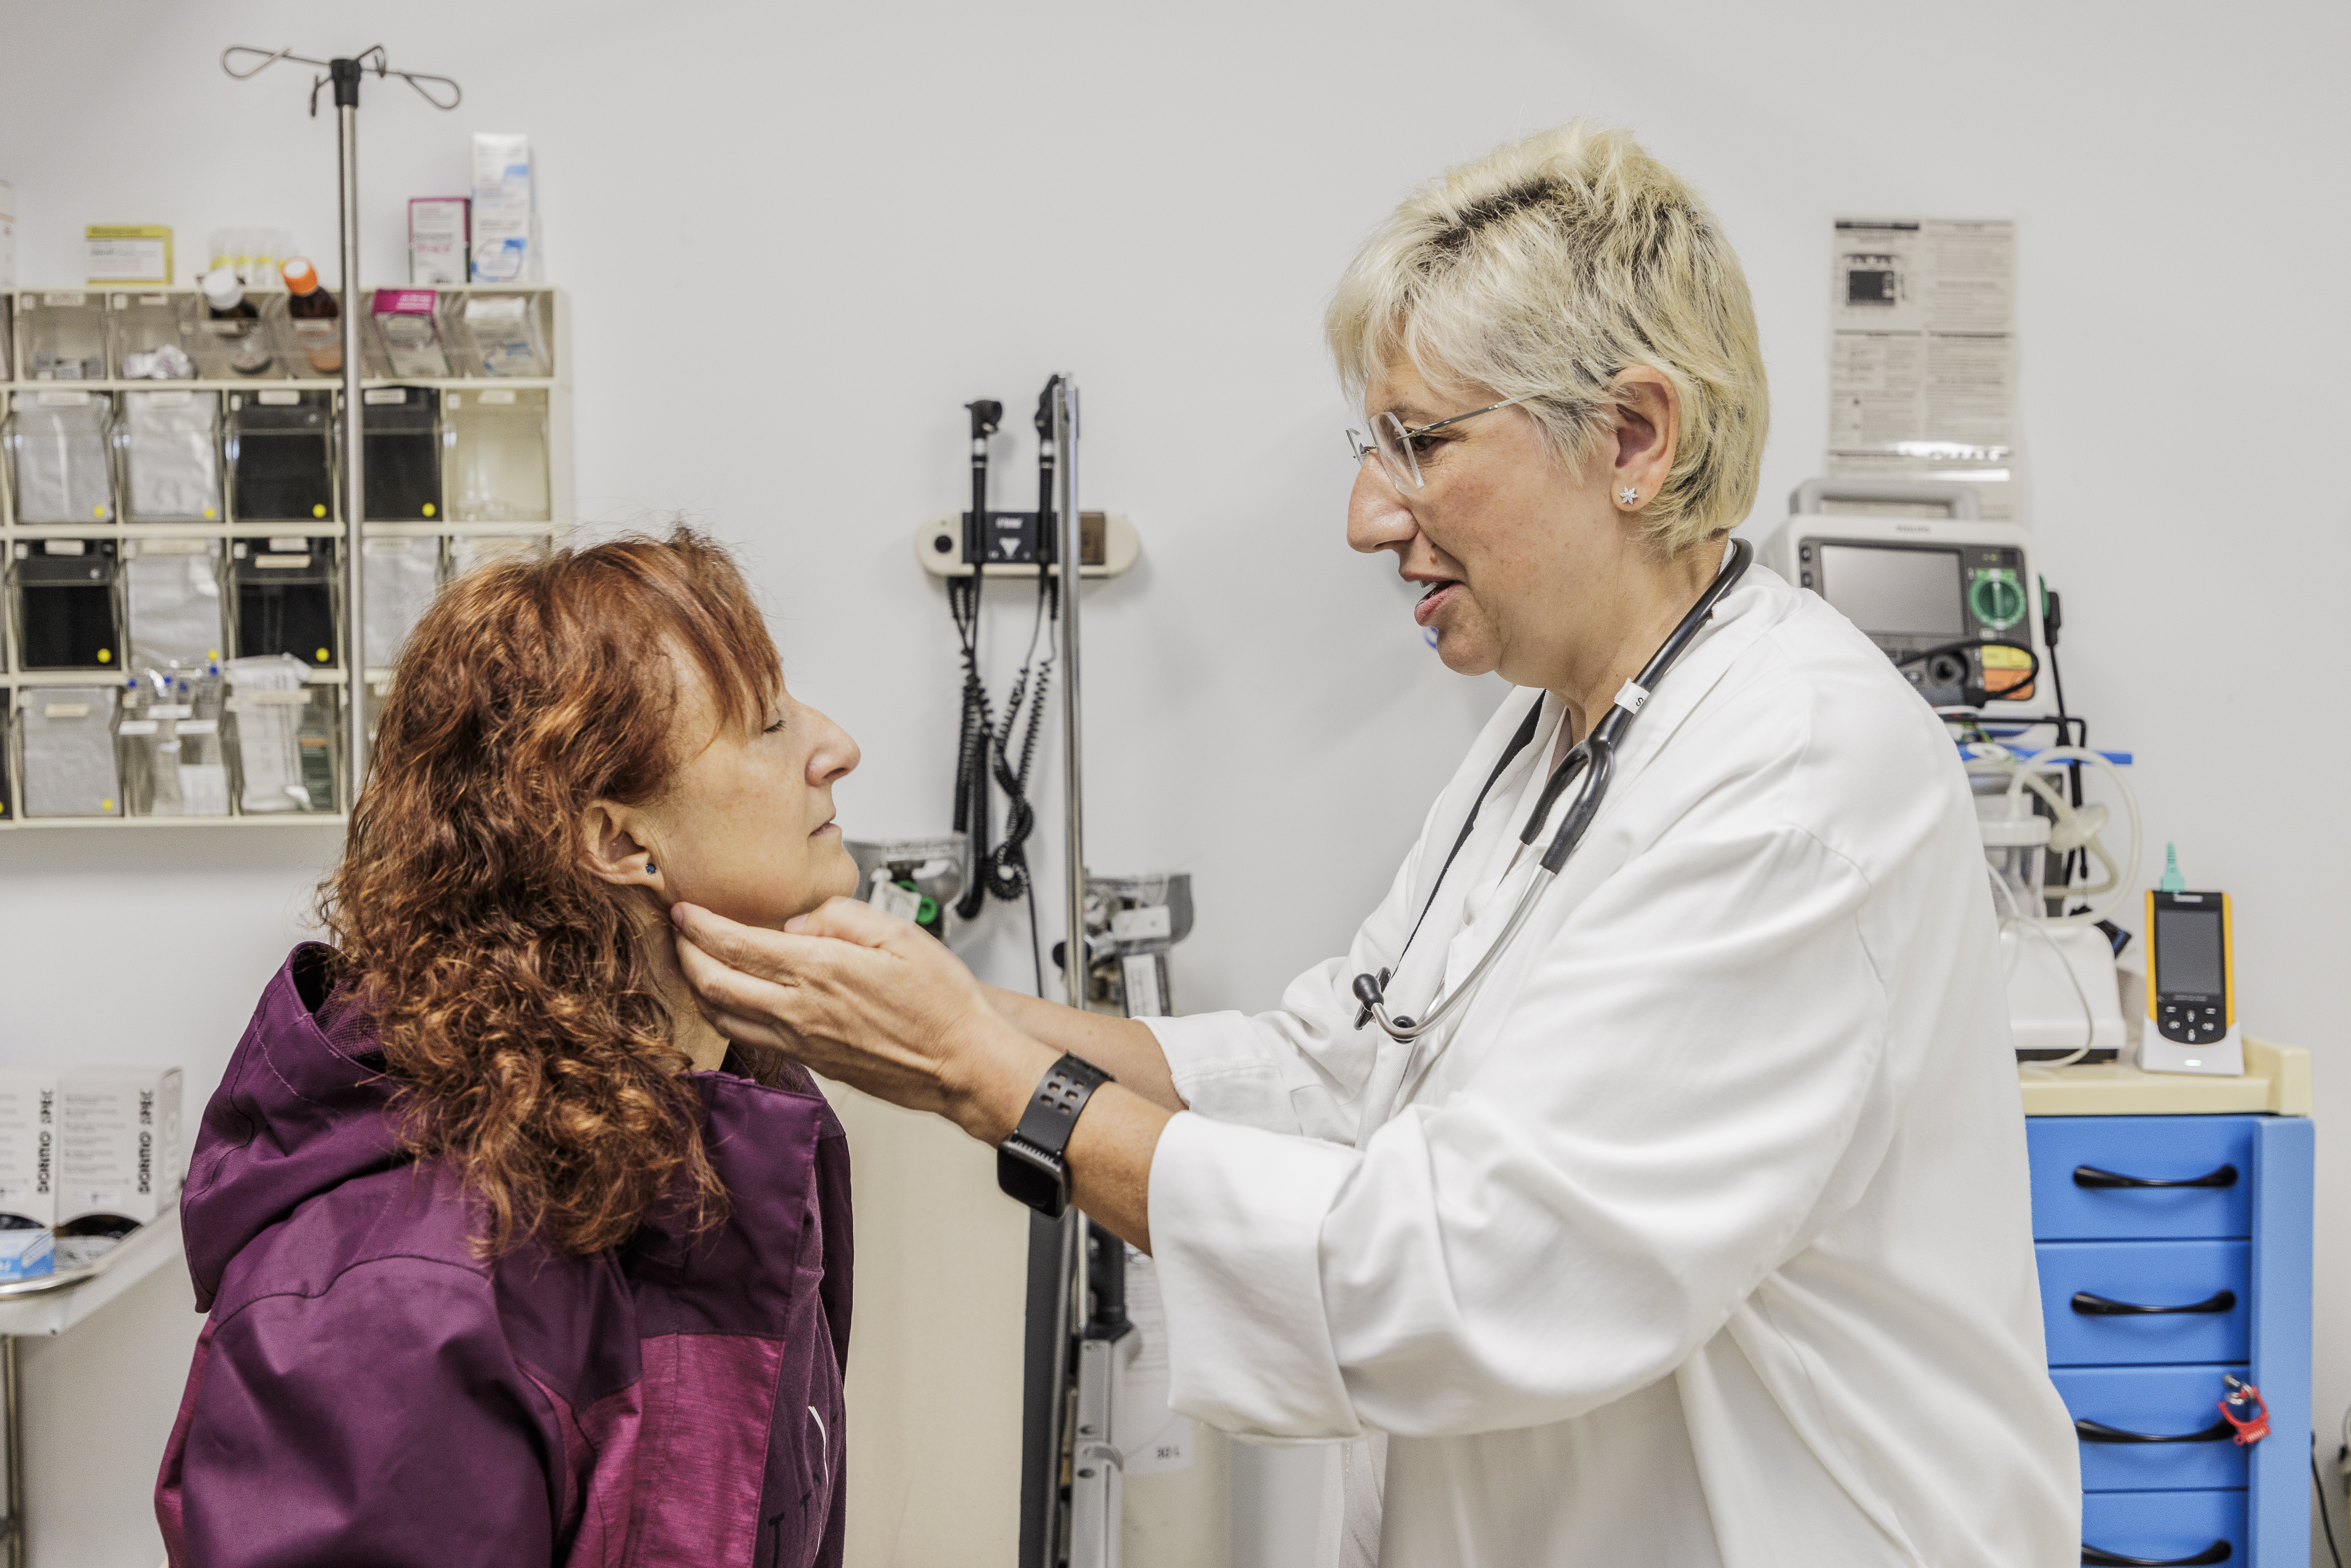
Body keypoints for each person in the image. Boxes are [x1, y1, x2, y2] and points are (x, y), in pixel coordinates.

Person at [672, 123, 2080, 1566]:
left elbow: (1472, 1273)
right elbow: (1342, 1066)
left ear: (1635, 439)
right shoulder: (1556, 731)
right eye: (1374, 444)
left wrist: (983, 1075)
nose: (1366, 515)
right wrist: (937, 1008)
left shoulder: (1792, 778)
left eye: (1420, 442)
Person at [156, 531, 862, 1568]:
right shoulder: (402, 1295)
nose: (836, 743)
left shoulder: (741, 1133)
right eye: (766, 721)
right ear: (620, 840)